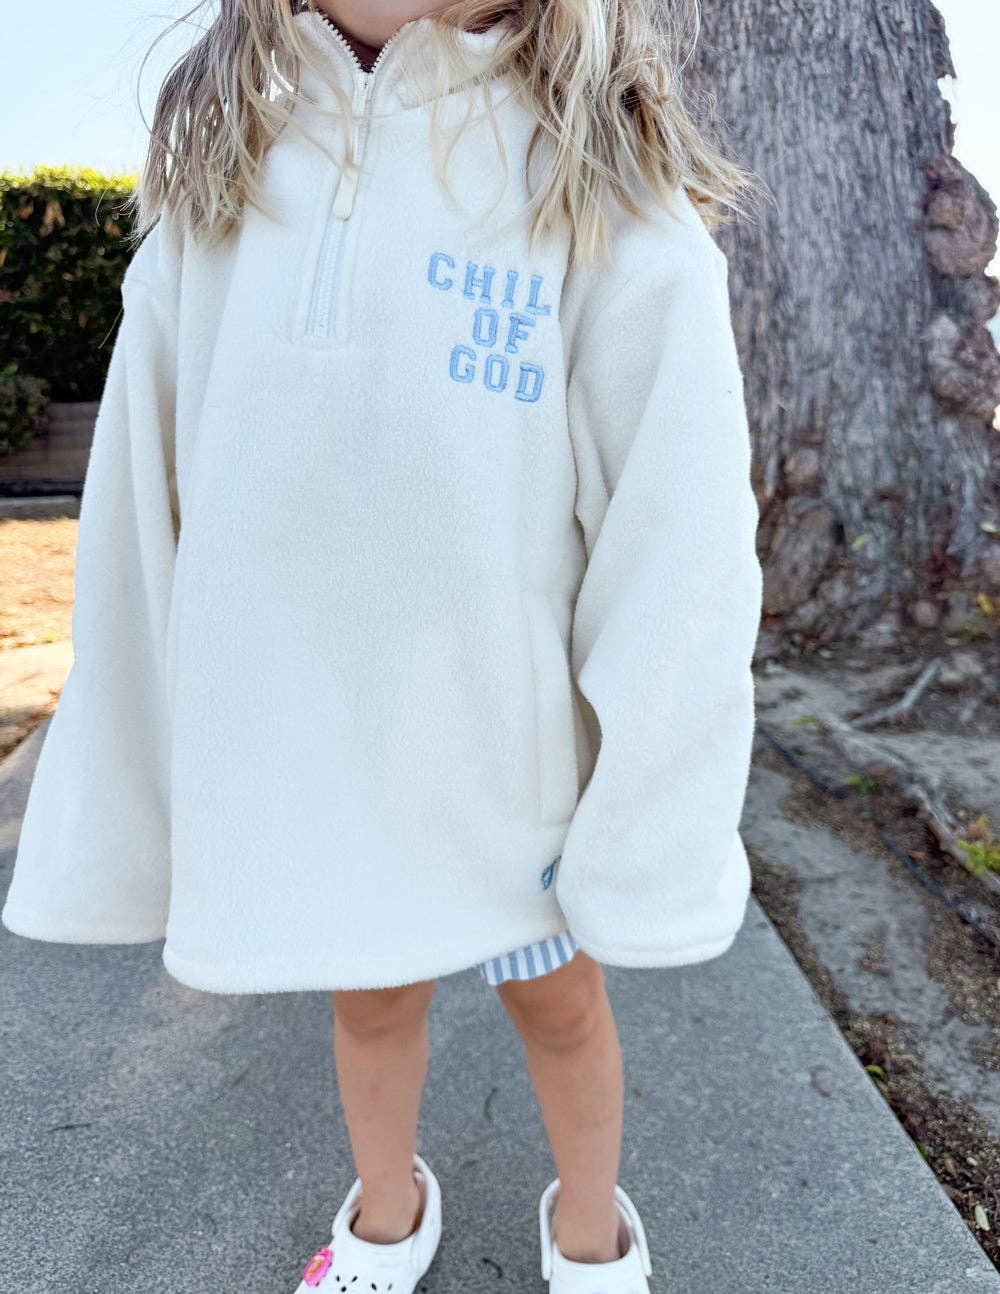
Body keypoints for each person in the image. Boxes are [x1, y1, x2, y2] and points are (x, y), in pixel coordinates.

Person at [1, 1, 763, 1290]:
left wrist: (649, 818)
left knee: (562, 1009)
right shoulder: (221, 171)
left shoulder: (594, 174)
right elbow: (145, 496)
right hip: (323, 764)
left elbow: (676, 533)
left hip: (511, 778)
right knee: (369, 1002)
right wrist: (141, 781)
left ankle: (590, 1231)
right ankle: (386, 1213)